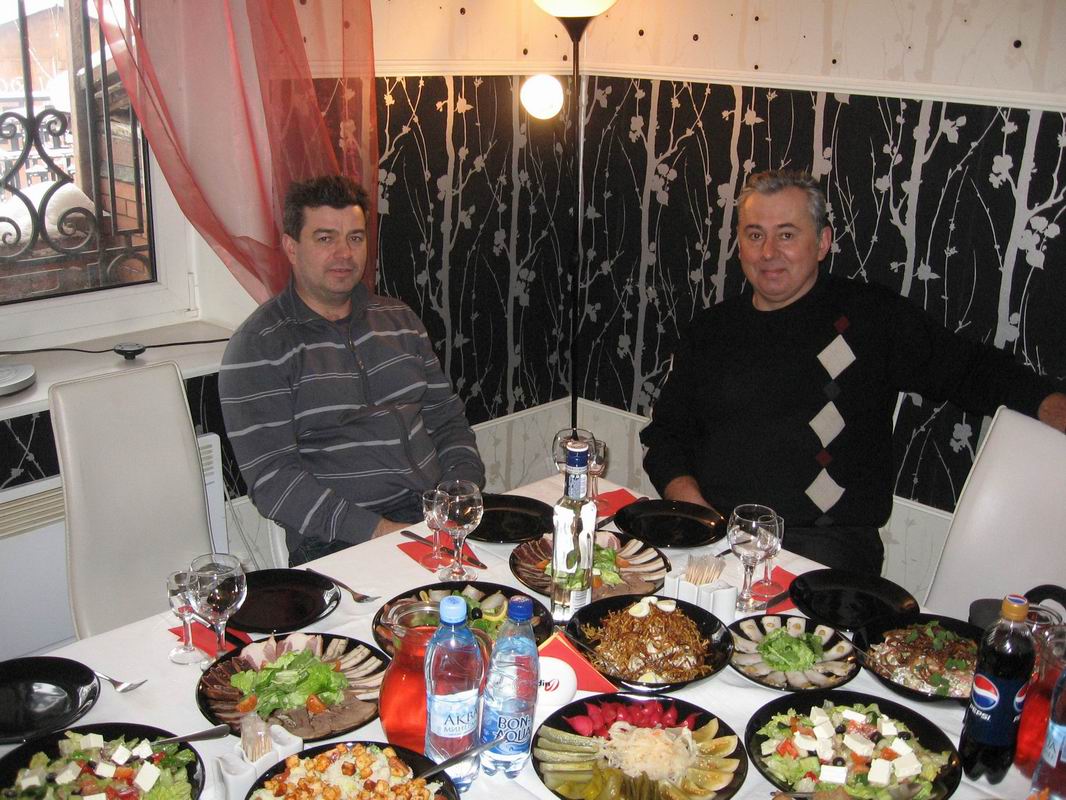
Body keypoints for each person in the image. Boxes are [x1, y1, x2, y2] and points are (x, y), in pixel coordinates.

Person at [641, 169, 1066, 574]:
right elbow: (665, 437)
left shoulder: (868, 318)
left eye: (787, 234)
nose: (768, 252)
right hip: (716, 535)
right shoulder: (711, 330)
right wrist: (699, 516)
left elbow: (969, 369)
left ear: (822, 242)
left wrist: (1048, 404)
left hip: (821, 549)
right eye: (755, 235)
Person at [219, 175, 485, 566]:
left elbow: (448, 422)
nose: (344, 253)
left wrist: (459, 495)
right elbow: (273, 480)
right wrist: (381, 532)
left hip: (433, 517)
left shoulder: (399, 320)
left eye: (355, 238)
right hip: (338, 540)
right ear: (291, 247)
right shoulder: (259, 346)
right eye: (325, 238)